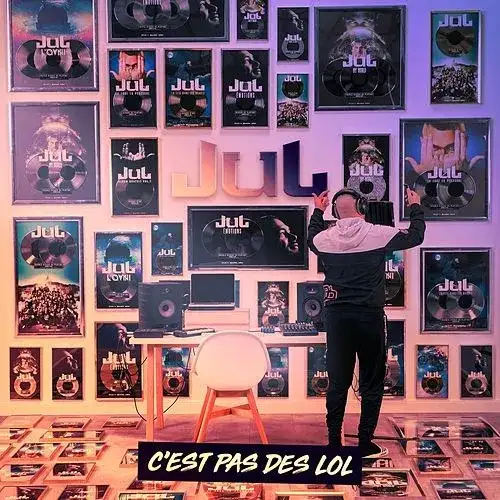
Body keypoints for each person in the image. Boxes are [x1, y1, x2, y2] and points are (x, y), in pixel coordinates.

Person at [307, 187, 425, 458]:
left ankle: (334, 443)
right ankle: (364, 443)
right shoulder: (377, 233)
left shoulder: (325, 238)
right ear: (362, 207)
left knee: (338, 383)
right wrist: (415, 206)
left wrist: (317, 210)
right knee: (372, 382)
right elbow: (416, 236)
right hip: (369, 318)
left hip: (337, 319)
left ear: (335, 212)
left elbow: (312, 238)